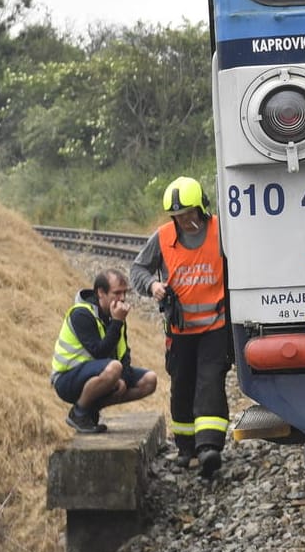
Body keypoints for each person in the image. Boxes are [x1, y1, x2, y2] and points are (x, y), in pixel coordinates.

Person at [131, 176, 232, 477]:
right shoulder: (162, 237)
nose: (185, 220)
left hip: (216, 325)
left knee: (210, 382)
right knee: (182, 386)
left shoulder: (221, 230)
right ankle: (186, 448)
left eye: (189, 213)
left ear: (202, 208)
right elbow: (138, 268)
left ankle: (209, 447)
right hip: (180, 330)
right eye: (178, 216)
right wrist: (152, 285)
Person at [50, 268, 158, 433]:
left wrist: (122, 380)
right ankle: (78, 412)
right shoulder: (81, 314)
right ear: (101, 292)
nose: (122, 298)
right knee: (114, 368)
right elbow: (99, 352)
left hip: (98, 374)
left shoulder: (114, 315)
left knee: (149, 380)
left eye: (125, 293)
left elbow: (124, 354)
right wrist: (116, 323)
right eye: (116, 293)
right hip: (67, 379)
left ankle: (91, 410)